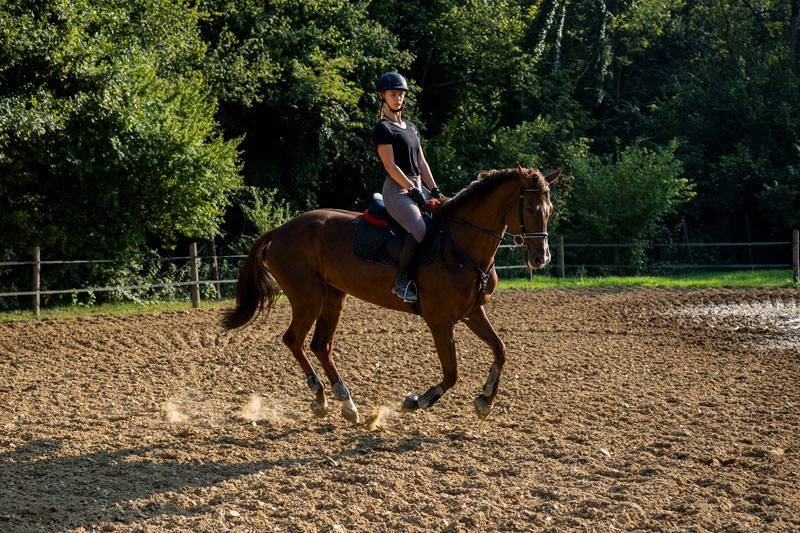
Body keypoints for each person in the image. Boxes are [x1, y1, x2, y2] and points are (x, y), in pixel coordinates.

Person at [372, 72, 445, 303]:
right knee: (419, 229)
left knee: (445, 219)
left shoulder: (411, 127)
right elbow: (390, 165)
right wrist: (412, 189)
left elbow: (422, 162)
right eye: (393, 94)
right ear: (382, 96)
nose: (398, 98)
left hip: (418, 186)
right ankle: (401, 282)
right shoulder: (383, 128)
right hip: (396, 190)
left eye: (401, 94)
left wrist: (435, 191)